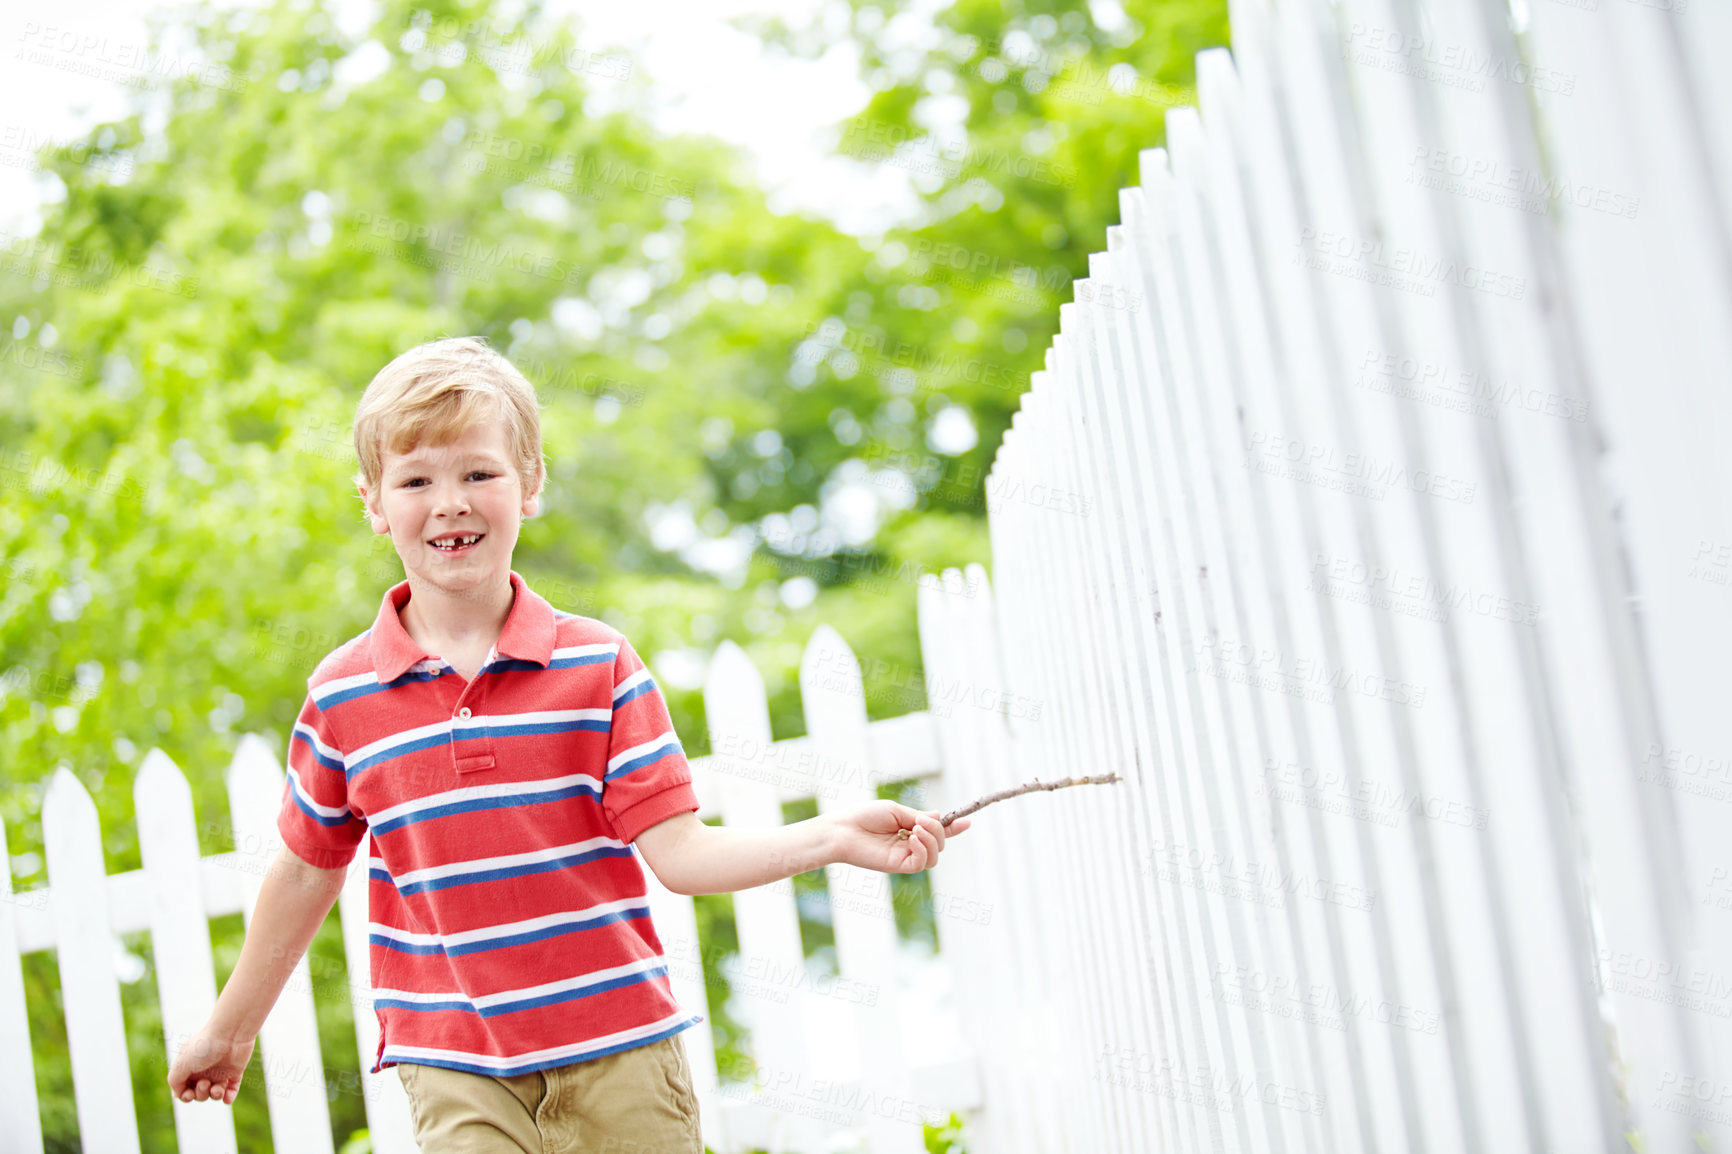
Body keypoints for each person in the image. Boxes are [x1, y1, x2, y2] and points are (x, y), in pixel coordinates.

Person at [164, 336, 968, 1152]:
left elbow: (684, 855)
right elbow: (306, 867)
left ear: (531, 484)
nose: (451, 502)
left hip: (619, 1052)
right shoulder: (343, 695)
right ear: (374, 502)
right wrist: (230, 1032)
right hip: (456, 1067)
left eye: (480, 473)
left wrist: (831, 836)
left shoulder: (599, 665)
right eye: (416, 481)